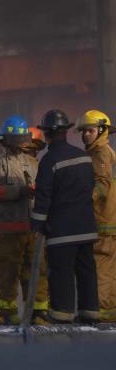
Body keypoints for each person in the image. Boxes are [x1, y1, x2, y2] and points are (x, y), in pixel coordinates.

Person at [0, 115, 48, 325]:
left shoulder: (28, 160)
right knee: (8, 274)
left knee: (34, 270)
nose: (23, 143)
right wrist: (19, 190)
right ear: (7, 138)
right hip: (4, 229)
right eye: (18, 138)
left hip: (29, 227)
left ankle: (37, 313)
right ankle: (8, 314)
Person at [32, 109, 100, 323]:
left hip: (61, 232)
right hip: (87, 228)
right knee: (87, 271)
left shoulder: (48, 160)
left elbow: (43, 196)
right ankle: (90, 312)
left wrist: (37, 224)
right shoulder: (84, 157)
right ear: (66, 132)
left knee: (62, 273)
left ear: (47, 134)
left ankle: (62, 314)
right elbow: (90, 187)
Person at [77, 110, 116, 322]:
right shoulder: (98, 153)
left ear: (102, 131)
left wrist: (83, 202)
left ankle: (101, 316)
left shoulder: (101, 153)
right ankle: (109, 317)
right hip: (106, 222)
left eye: (90, 131)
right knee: (108, 272)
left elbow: (102, 184)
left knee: (101, 271)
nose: (85, 135)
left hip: (104, 224)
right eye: (83, 131)